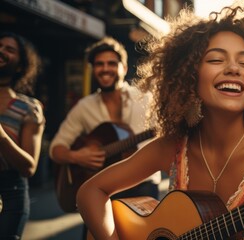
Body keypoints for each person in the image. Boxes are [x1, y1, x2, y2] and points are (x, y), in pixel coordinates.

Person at [77, 3, 244, 240]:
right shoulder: (174, 148)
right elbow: (91, 191)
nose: (233, 68)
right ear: (190, 78)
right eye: (217, 59)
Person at [49, 37, 161, 235]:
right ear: (93, 69)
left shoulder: (145, 98)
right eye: (99, 64)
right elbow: (56, 149)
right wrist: (77, 156)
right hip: (101, 188)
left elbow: (165, 134)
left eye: (111, 63)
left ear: (124, 68)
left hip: (142, 184)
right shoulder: (84, 107)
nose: (105, 68)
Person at [0, 32, 45, 240]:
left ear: (20, 65)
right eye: (0, 46)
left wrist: (1, 136)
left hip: (10, 193)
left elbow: (29, 167)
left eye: (10, 49)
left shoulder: (29, 108)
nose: (1, 50)